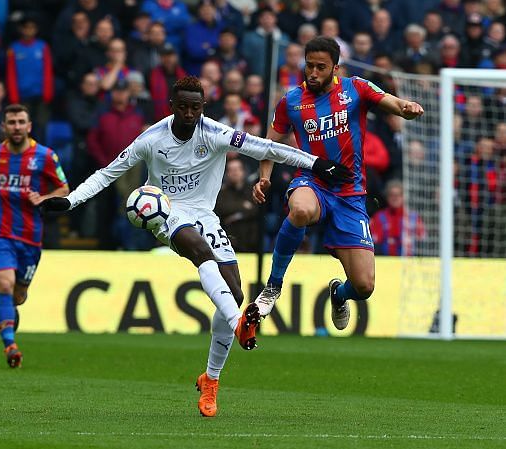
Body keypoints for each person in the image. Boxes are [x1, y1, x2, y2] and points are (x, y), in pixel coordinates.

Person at [40, 76, 351, 416]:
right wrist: (70, 201)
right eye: (183, 107)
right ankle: (239, 323)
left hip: (205, 214)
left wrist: (315, 163)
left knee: (233, 292)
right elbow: (108, 172)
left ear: (204, 107)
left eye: (196, 107)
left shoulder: (216, 133)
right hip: (165, 212)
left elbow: (266, 147)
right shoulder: (152, 138)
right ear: (171, 106)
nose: (189, 113)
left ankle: (211, 379)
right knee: (200, 251)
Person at [252, 37, 424, 330]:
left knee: (364, 286)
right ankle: (273, 285)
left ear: (335, 68)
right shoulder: (291, 101)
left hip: (350, 194)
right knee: (301, 211)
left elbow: (389, 101)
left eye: (321, 67)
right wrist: (264, 177)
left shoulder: (355, 88)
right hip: (311, 182)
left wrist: (404, 107)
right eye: (309, 66)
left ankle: (338, 293)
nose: (313, 73)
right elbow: (269, 144)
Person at [0, 104, 69, 368]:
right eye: (11, 122)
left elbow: (63, 188)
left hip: (30, 236)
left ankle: (9, 323)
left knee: (18, 296)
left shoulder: (45, 156)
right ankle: (10, 346)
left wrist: (45, 197)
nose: (16, 126)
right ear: (4, 126)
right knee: (4, 284)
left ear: (29, 126)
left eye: (20, 122)